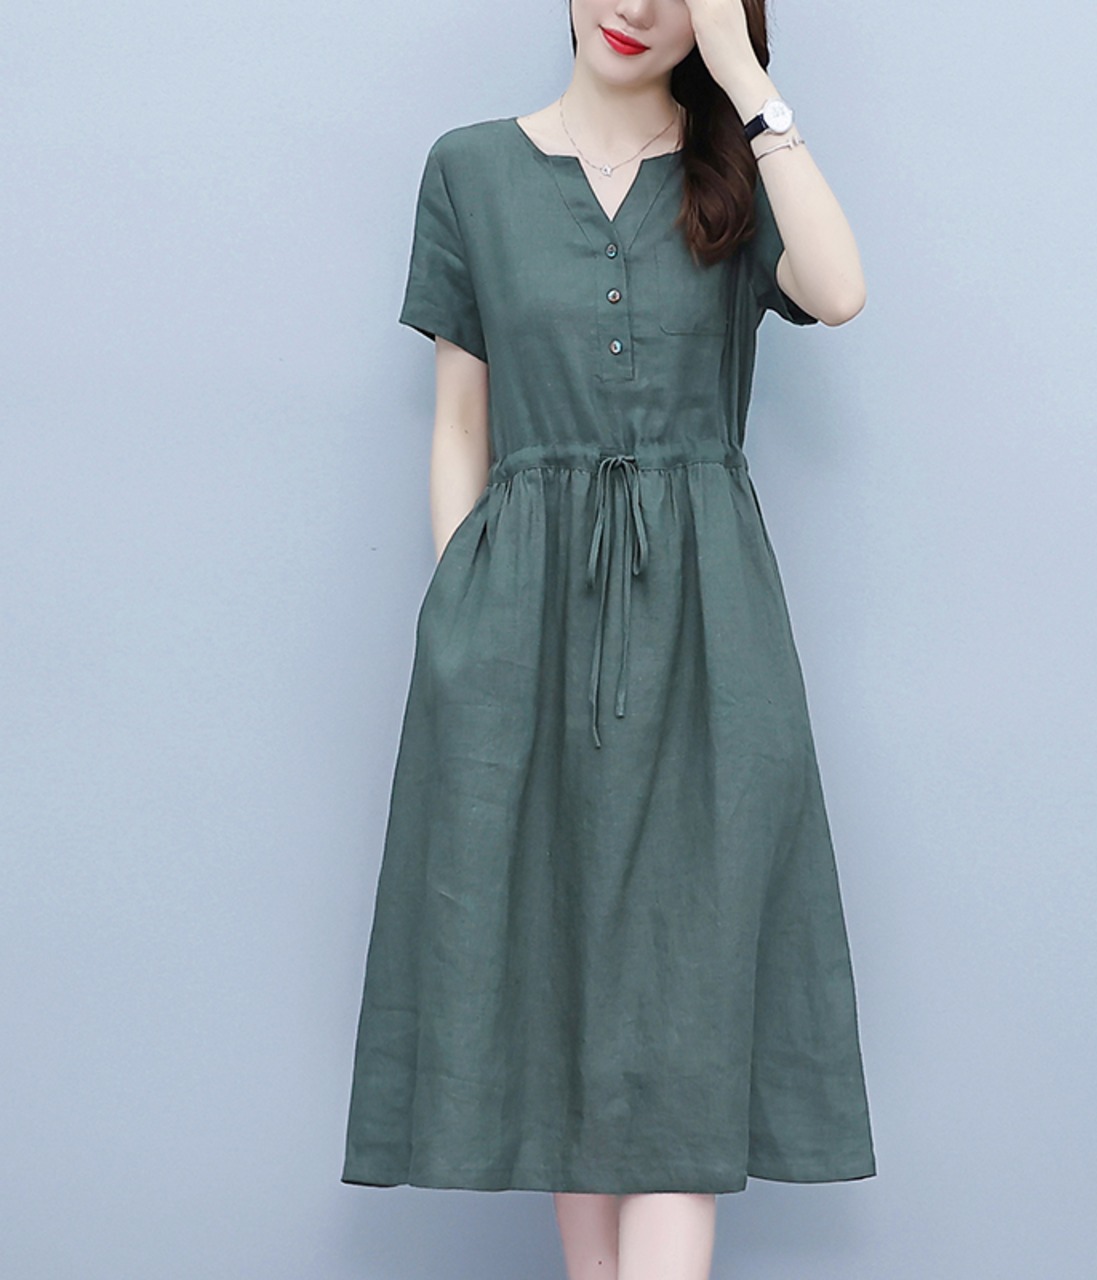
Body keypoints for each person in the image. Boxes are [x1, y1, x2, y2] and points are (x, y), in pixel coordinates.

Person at [341, 1, 875, 1276]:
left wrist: (741, 76)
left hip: (709, 643)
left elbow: (839, 290)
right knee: (562, 1009)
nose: (633, 6)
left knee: (682, 1015)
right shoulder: (469, 169)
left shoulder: (733, 176)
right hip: (517, 640)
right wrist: (463, 622)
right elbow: (458, 422)